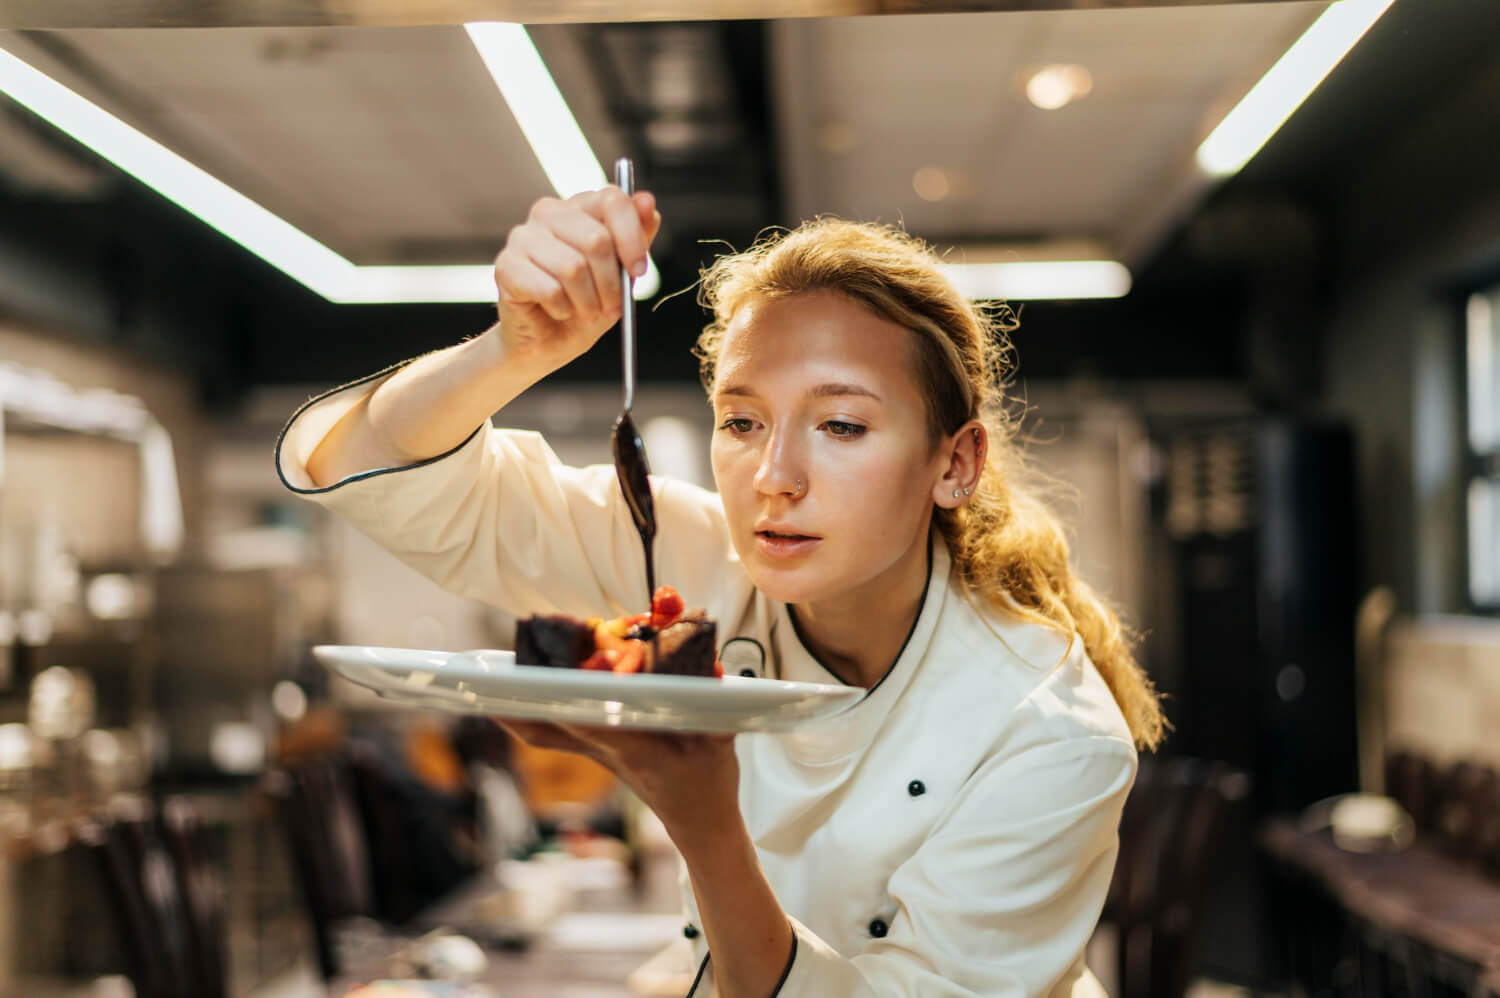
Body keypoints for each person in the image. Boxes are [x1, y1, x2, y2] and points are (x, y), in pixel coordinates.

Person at [276, 185, 1165, 997]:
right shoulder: (696, 560)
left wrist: (704, 824)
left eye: (842, 424)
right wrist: (510, 351)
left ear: (955, 462)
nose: (774, 476)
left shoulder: (1050, 731)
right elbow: (375, 470)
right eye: (741, 421)